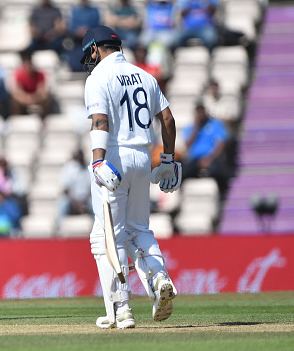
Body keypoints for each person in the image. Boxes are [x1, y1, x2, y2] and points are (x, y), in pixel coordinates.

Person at [80, 25, 181, 329]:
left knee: (107, 236)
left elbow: (100, 121)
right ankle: (159, 276)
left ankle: (121, 308)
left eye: (90, 53)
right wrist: (167, 159)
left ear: (96, 48)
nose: (90, 59)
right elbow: (168, 119)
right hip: (142, 156)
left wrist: (98, 162)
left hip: (114, 157)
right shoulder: (145, 76)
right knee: (139, 229)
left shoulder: (98, 77)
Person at [181, 103, 229, 200]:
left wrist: (210, 159)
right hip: (195, 159)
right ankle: (183, 196)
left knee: (218, 171)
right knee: (183, 171)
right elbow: (187, 145)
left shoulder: (215, 125)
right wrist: (196, 128)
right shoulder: (191, 127)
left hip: (211, 158)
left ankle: (222, 196)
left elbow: (221, 144)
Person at [9, 50, 52, 120]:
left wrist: (33, 98)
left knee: (46, 98)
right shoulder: (19, 75)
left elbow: (41, 90)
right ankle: (17, 121)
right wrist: (25, 98)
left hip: (37, 97)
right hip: (24, 98)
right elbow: (18, 90)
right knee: (14, 101)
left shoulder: (40, 75)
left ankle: (44, 121)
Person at [56, 149, 92, 231]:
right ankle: (58, 229)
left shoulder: (88, 168)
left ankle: (98, 230)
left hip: (86, 200)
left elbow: (91, 188)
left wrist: (83, 202)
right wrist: (75, 203)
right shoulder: (68, 168)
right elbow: (65, 189)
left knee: (94, 203)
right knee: (63, 202)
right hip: (71, 200)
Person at [65, 0, 101, 72]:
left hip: (91, 41)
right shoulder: (74, 11)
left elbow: (97, 26)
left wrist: (87, 31)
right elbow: (71, 27)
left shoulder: (94, 11)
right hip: (77, 41)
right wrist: (78, 31)